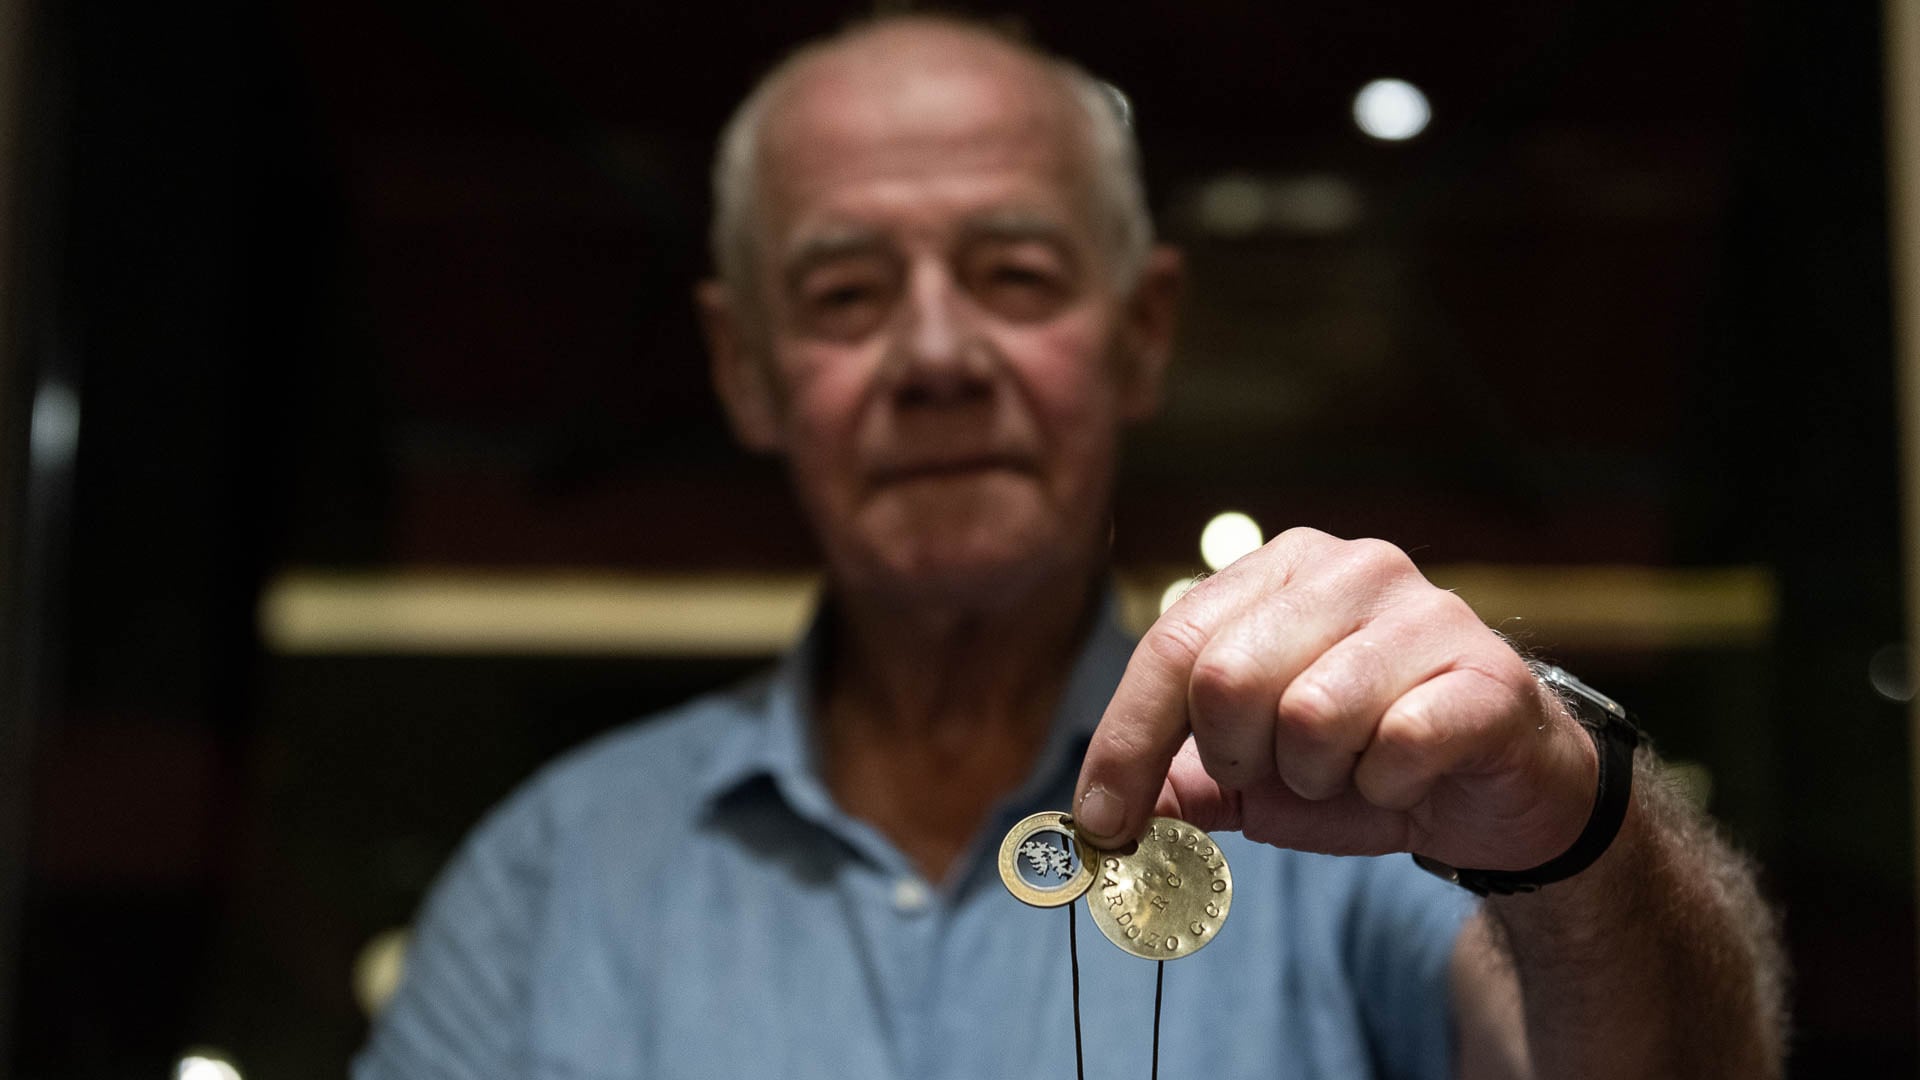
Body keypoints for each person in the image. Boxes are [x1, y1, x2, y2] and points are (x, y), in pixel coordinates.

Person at [355, 15, 1786, 1078]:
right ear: (747, 368)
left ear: (1142, 332)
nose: (936, 354)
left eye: (1014, 273)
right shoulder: (551, 875)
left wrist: (1566, 828)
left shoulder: (1353, 801)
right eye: (847, 291)